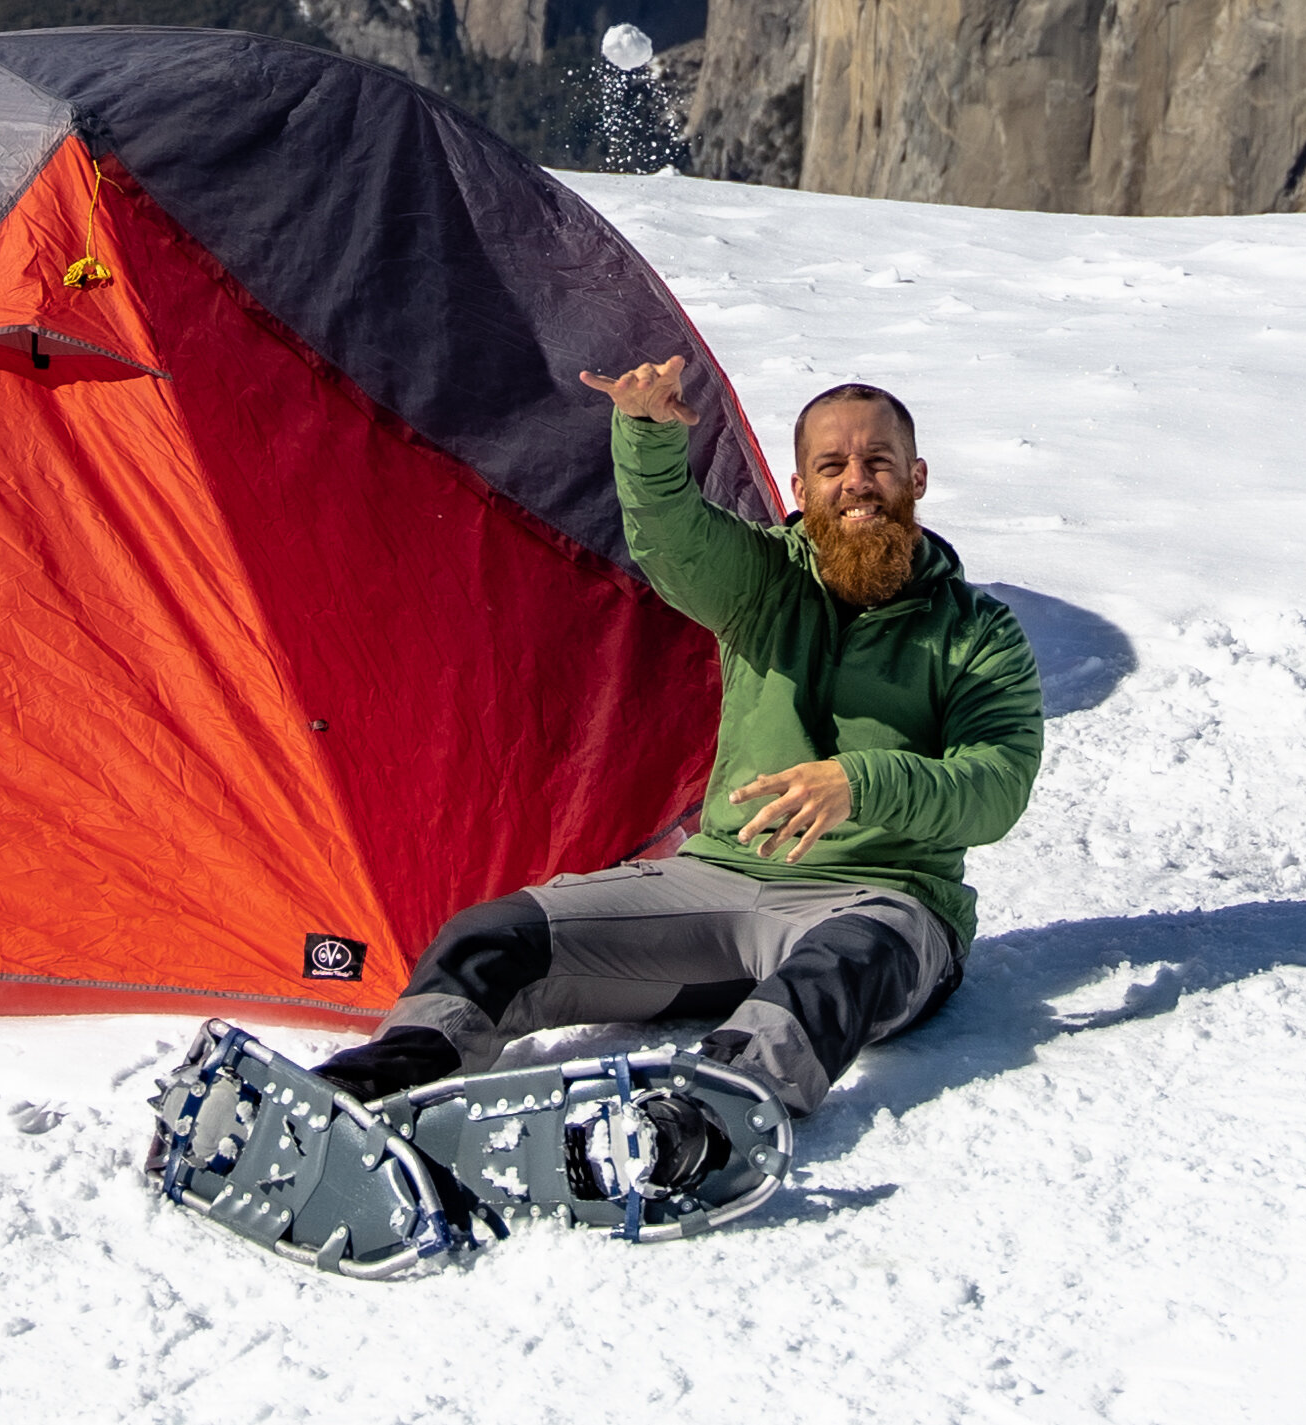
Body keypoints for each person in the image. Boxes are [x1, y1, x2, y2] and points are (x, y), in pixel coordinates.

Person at [319, 356, 1043, 1190]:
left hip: (886, 900)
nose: (857, 482)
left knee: (834, 973)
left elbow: (997, 784)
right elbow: (673, 535)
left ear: (916, 478)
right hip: (721, 876)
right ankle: (381, 1081)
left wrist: (862, 783)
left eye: (878, 461)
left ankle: (693, 1124)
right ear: (800, 487)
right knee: (496, 935)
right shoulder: (762, 580)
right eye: (832, 465)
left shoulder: (979, 631)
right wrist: (648, 435)